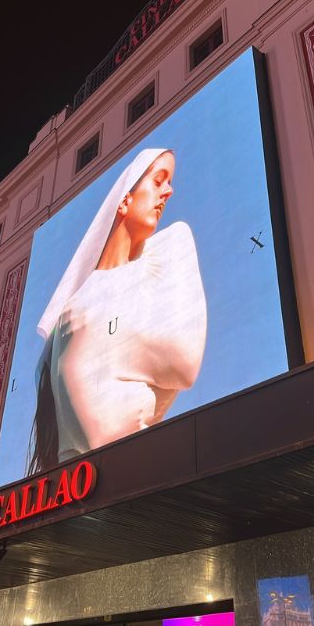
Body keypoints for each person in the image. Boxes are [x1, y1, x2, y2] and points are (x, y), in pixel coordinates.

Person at [27, 148, 207, 475]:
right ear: (124, 201)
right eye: (158, 181)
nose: (169, 191)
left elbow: (183, 360)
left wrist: (98, 340)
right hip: (71, 486)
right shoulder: (71, 306)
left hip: (135, 470)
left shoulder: (167, 250)